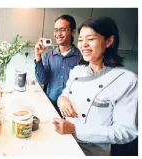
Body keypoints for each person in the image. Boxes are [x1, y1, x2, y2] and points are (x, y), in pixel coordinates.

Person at [53, 17, 138, 156]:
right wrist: (62, 100)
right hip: (66, 141)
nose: (83, 44)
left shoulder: (127, 81)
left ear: (109, 41)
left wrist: (75, 129)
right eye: (80, 40)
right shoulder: (77, 70)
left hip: (93, 152)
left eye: (90, 39)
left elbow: (126, 131)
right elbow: (65, 93)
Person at [34, 14, 82, 116]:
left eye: (62, 29)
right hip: (50, 104)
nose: (58, 34)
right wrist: (38, 56)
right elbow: (42, 80)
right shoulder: (48, 55)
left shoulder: (81, 57)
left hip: (71, 109)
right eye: (56, 30)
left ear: (72, 31)